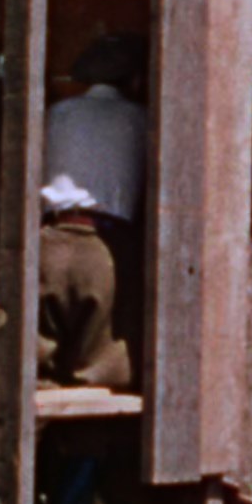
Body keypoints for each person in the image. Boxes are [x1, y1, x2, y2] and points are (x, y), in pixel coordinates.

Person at [37, 33, 149, 389]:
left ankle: (31, 443)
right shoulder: (143, 121)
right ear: (135, 80)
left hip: (47, 243)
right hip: (106, 251)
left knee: (33, 368)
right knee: (104, 375)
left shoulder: (56, 114)